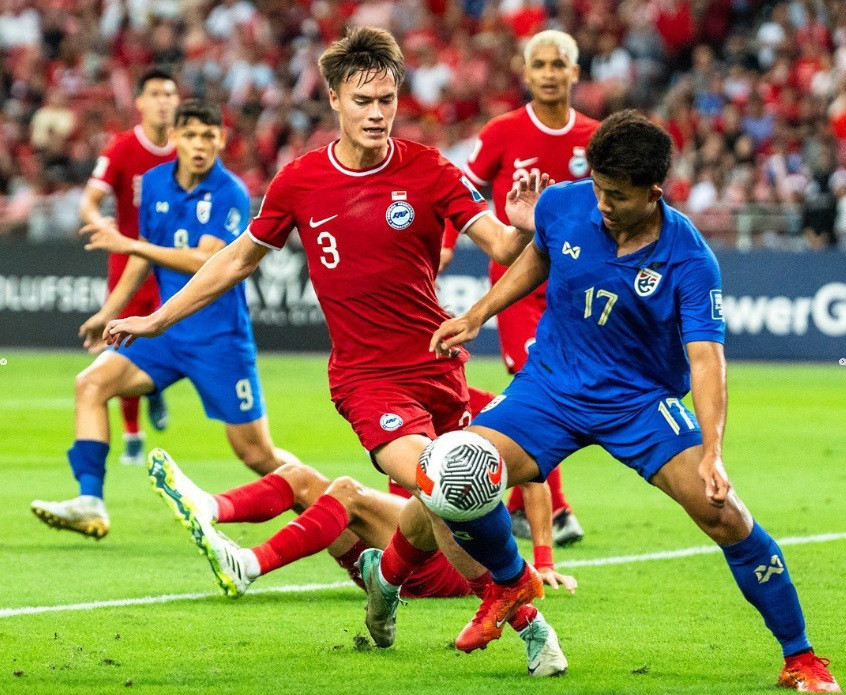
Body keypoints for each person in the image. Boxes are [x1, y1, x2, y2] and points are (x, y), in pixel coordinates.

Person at [101, 27, 562, 671]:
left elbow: (507, 253)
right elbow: (235, 261)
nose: (377, 113)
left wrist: (526, 223)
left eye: (387, 100)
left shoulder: (429, 169)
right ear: (335, 101)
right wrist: (156, 318)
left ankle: (387, 579)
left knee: (442, 504)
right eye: (363, 100)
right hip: (368, 380)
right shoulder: (300, 182)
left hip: (439, 370)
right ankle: (529, 619)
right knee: (450, 482)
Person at [430, 110, 840, 693]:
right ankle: (511, 580)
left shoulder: (691, 259)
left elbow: (706, 359)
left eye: (616, 196)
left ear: (654, 193)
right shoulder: (562, 203)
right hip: (550, 387)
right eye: (597, 187)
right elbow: (539, 256)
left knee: (724, 513)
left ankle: (799, 656)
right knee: (452, 473)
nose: (601, 203)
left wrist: (713, 451)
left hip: (638, 403)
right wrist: (477, 315)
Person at [31, 100, 298, 541]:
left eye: (208, 137)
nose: (199, 145)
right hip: (166, 332)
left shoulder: (229, 192)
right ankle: (90, 501)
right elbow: (142, 254)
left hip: (218, 340)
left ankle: (338, 504)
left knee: (256, 453)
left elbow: (204, 260)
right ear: (174, 138)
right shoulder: (154, 183)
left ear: (221, 142)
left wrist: (128, 244)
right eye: (190, 135)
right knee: (92, 384)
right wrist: (110, 311)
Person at [145, 447, 577, 677]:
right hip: (411, 540)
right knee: (302, 478)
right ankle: (209, 506)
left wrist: (542, 558)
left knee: (355, 493)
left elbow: (534, 473)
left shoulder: (472, 405)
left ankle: (249, 564)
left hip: (452, 562)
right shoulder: (394, 400)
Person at [441, 30, 599, 551]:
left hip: (576, 289)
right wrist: (446, 243)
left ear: (575, 72)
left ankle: (527, 504)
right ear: (525, 73)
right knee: (536, 386)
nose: (550, 73)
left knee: (571, 392)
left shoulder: (597, 138)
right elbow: (461, 192)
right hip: (518, 289)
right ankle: (551, 513)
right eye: (540, 64)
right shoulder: (504, 131)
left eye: (560, 64)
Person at [79, 68, 180, 465]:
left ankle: (155, 386)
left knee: (166, 333)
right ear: (139, 102)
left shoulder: (185, 150)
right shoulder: (121, 148)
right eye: (154, 93)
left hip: (171, 261)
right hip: (127, 261)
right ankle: (133, 436)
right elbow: (90, 198)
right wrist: (97, 218)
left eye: (169, 94)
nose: (162, 101)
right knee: (122, 340)